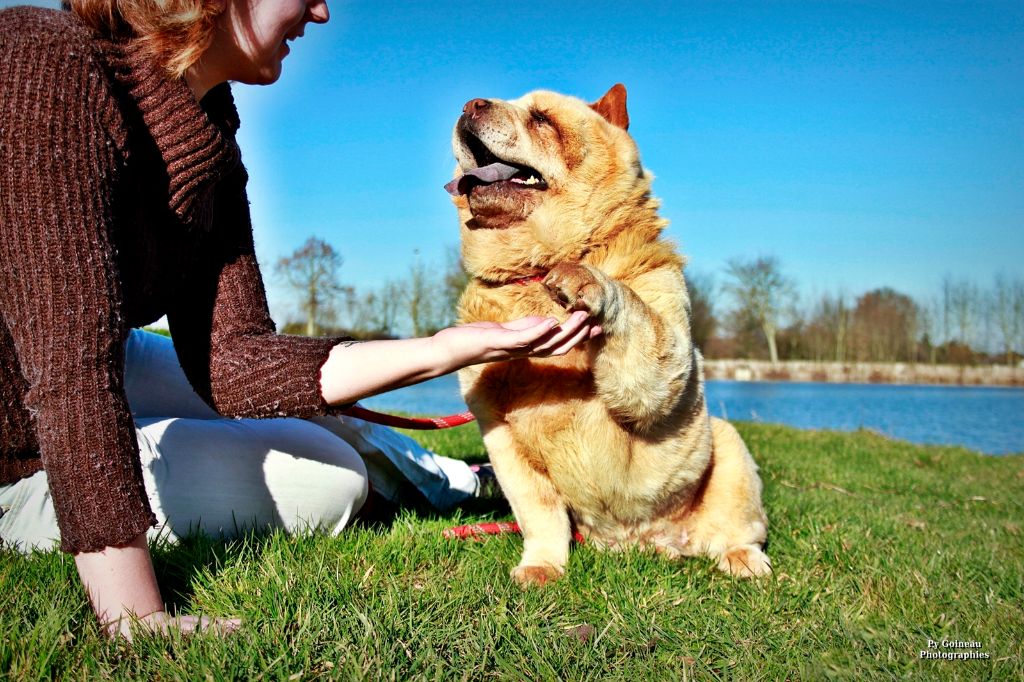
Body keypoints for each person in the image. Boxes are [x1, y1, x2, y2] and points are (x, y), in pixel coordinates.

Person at [0, 0, 601, 640]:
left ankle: (457, 478)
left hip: (105, 360)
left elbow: (235, 363)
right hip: (19, 434)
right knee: (329, 476)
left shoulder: (210, 127)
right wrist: (134, 617)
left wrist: (450, 347)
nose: (321, 11)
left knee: (314, 401)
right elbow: (70, 372)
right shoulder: (42, 59)